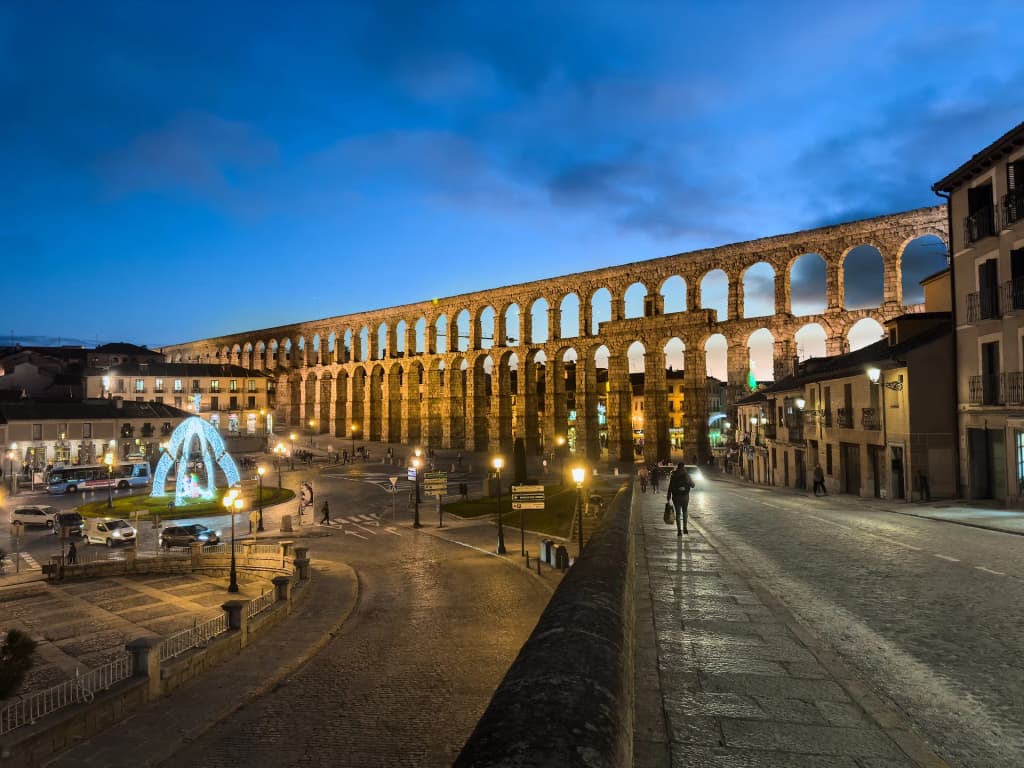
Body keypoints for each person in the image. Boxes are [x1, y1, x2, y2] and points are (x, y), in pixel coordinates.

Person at [667, 462, 695, 536]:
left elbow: (670, 486)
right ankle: (685, 527)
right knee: (685, 511)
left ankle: (679, 530)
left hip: (676, 496)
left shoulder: (674, 475)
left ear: (677, 467)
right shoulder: (687, 475)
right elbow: (693, 485)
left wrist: (668, 496)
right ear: (683, 467)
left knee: (678, 513)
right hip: (685, 497)